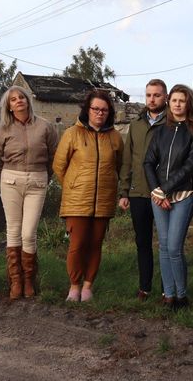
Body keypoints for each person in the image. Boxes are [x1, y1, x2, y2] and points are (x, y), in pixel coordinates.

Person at [53, 89, 124, 303]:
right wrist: (72, 186)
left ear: (109, 112)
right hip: (77, 200)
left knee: (95, 244)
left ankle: (88, 286)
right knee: (77, 244)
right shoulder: (72, 133)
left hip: (103, 200)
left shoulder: (115, 137)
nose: (99, 113)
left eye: (104, 110)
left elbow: (119, 166)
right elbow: (59, 165)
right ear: (88, 109)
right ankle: (74, 286)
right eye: (95, 109)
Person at [0, 86, 59, 299]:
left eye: (21, 97)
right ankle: (16, 281)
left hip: (37, 181)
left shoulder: (45, 127)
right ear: (9, 106)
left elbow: (54, 156)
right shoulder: (2, 130)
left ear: (28, 100)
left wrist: (44, 176)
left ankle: (29, 279)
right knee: (13, 230)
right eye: (13, 99)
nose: (18, 101)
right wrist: (7, 176)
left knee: (29, 233)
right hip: (10, 180)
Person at [143, 84, 193, 310]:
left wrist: (165, 189)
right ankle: (168, 294)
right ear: (169, 103)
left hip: (183, 194)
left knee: (175, 247)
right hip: (158, 195)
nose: (178, 104)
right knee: (163, 246)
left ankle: (181, 296)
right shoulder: (160, 131)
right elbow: (148, 162)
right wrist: (156, 190)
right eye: (174, 100)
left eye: (182, 100)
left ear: (189, 103)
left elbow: (191, 165)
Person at [117, 79, 167, 301]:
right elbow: (127, 160)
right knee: (143, 242)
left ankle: (170, 289)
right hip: (138, 192)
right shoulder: (136, 124)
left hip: (164, 193)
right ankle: (145, 287)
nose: (152, 99)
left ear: (165, 97)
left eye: (156, 95)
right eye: (148, 95)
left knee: (167, 244)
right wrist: (124, 191)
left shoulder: (172, 123)